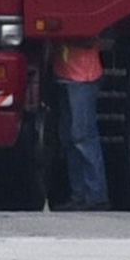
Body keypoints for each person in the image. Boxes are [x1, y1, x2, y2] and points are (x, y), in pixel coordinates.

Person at [50, 36, 108, 210]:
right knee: (68, 137)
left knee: (83, 137)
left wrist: (62, 35)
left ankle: (96, 195)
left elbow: (88, 40)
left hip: (84, 77)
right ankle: (80, 195)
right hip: (65, 75)